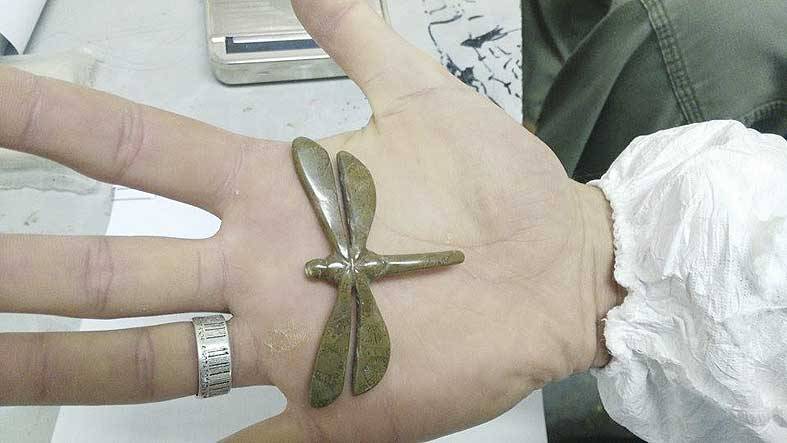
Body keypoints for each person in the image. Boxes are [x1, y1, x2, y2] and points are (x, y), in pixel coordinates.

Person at [0, 1, 783, 442]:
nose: (322, 270)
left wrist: (587, 273)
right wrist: (594, 253)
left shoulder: (345, 253)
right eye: (323, 269)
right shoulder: (343, 241)